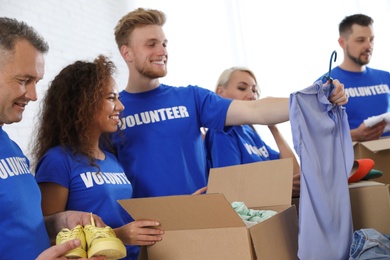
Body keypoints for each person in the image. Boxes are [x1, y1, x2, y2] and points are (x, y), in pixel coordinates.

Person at [111, 7, 347, 199]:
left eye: (164, 43)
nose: (162, 50)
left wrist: (315, 99)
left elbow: (256, 110)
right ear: (127, 53)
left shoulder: (191, 98)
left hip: (201, 220)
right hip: (144, 233)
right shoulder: (113, 110)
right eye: (151, 44)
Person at [31, 55, 164, 260]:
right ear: (84, 103)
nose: (120, 106)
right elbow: (48, 235)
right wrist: (119, 236)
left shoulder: (112, 160)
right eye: (111, 98)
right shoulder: (57, 161)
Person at [0, 17, 106, 260]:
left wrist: (61, 221)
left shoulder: (11, 147)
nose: (34, 95)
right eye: (24, 80)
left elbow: (18, 227)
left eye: (36, 82)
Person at [204, 67, 300, 197]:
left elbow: (293, 172)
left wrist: (273, 128)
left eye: (254, 90)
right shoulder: (222, 132)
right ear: (220, 92)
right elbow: (231, 188)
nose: (252, 95)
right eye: (242, 88)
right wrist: (280, 187)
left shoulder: (250, 132)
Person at [316, 14, 390, 142]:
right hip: (353, 160)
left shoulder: (385, 77)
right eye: (361, 40)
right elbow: (316, 137)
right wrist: (354, 135)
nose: (368, 46)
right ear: (342, 42)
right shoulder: (326, 83)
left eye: (371, 39)